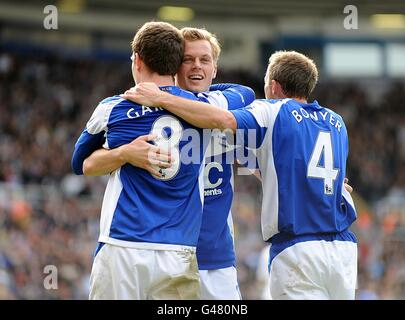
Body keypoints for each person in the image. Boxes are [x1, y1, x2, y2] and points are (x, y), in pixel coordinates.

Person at [122, 50, 358, 300]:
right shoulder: (336, 122)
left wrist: (163, 98)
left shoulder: (273, 111)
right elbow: (288, 166)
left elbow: (223, 119)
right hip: (343, 251)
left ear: (274, 87)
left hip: (298, 248)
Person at [77, 27, 256, 299]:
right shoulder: (214, 110)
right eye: (188, 59)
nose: (197, 67)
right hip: (178, 250)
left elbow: (81, 162)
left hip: (198, 253)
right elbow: (242, 97)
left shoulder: (117, 107)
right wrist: (125, 152)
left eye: (205, 60)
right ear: (175, 64)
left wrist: (163, 97)